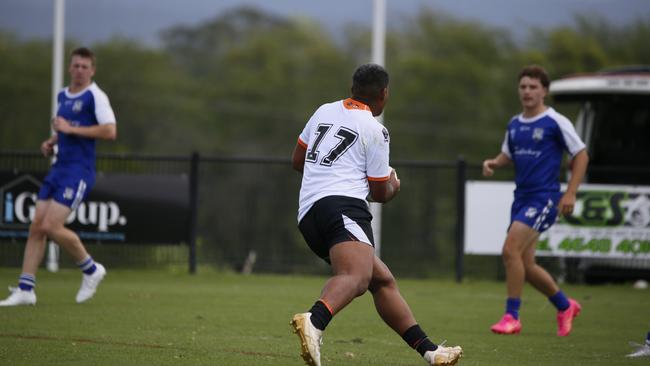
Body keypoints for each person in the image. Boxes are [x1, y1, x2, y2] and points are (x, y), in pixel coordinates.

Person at [290, 64, 462, 366]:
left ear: (352, 87)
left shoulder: (323, 111)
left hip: (308, 213)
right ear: (384, 94)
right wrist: (394, 184)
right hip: (343, 208)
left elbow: (297, 160)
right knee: (356, 276)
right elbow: (380, 193)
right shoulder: (375, 129)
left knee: (381, 281)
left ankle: (431, 352)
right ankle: (314, 321)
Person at [0, 47, 116, 306]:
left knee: (52, 226)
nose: (79, 70)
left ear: (92, 70)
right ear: (69, 67)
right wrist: (53, 140)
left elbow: (109, 131)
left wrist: (71, 129)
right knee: (37, 226)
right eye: (75, 65)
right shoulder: (62, 95)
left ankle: (91, 269)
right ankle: (25, 289)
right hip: (59, 167)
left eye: (85, 67)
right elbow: (65, 129)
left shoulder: (96, 96)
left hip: (79, 171)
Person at [482, 65, 589, 336]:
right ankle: (565, 305)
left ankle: (512, 317)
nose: (527, 91)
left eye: (533, 87)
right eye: (523, 87)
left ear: (544, 91)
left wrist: (571, 192)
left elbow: (581, 154)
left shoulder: (555, 121)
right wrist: (495, 162)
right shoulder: (515, 124)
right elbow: (508, 154)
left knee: (510, 251)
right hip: (522, 198)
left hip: (544, 198)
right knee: (526, 266)